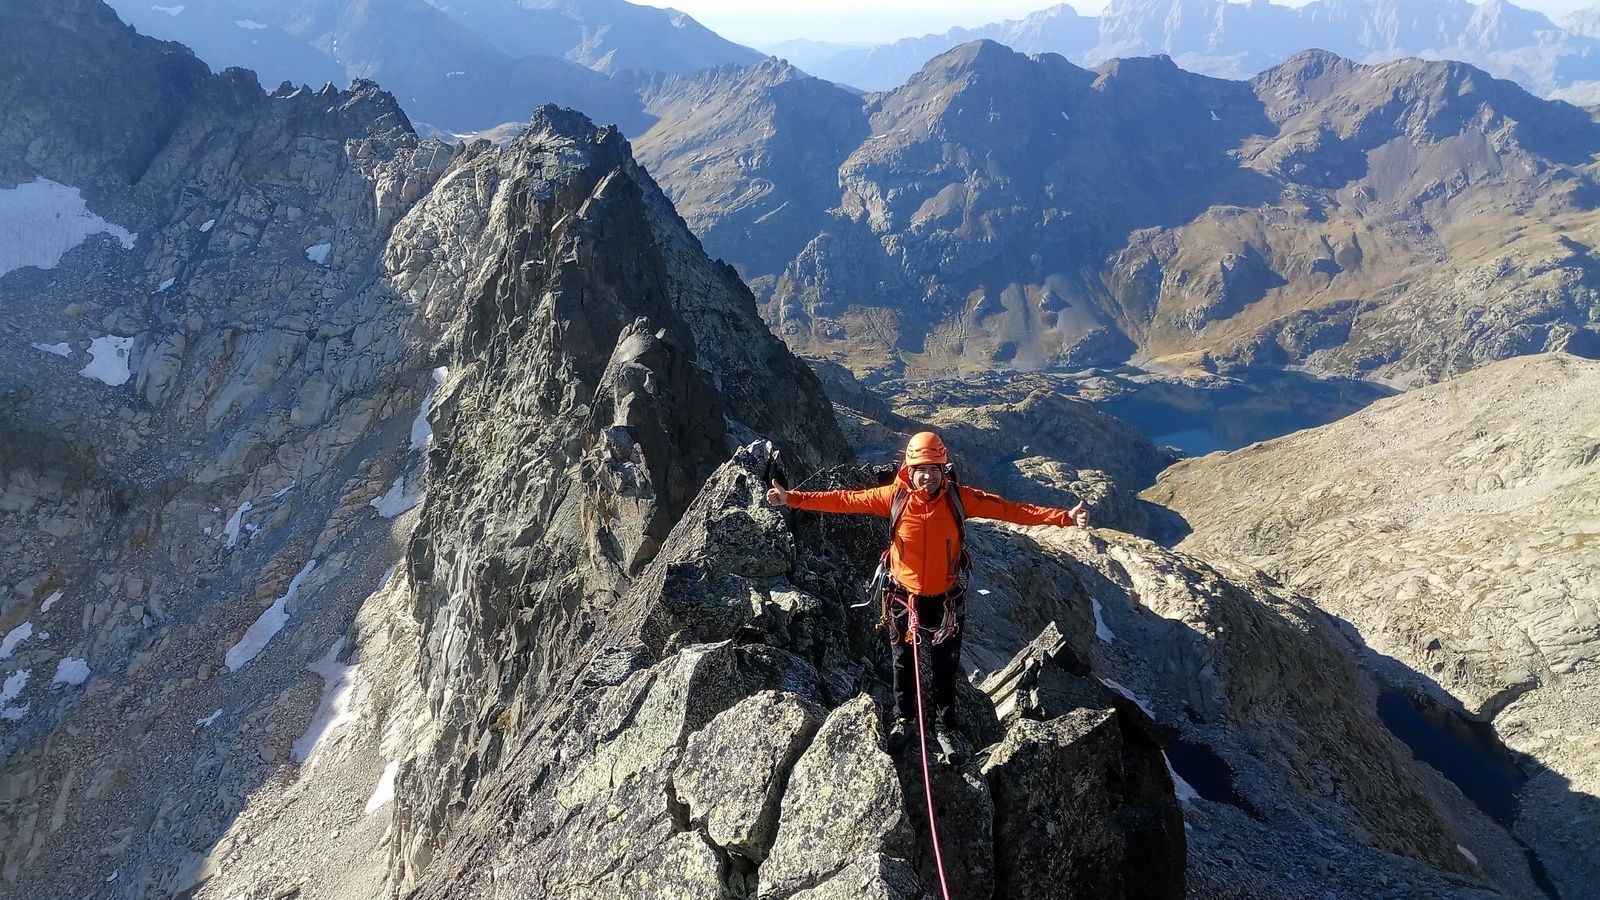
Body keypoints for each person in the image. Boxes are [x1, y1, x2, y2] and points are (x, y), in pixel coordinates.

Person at [766, 431, 1087, 763]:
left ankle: (945, 728)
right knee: (903, 663)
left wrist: (1064, 518)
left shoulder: (960, 499)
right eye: (921, 469)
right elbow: (845, 500)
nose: (928, 476)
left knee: (945, 666)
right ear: (909, 469)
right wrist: (792, 498)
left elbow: (1010, 510)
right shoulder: (893, 497)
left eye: (934, 469)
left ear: (943, 469)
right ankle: (905, 719)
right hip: (902, 597)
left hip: (944, 601)